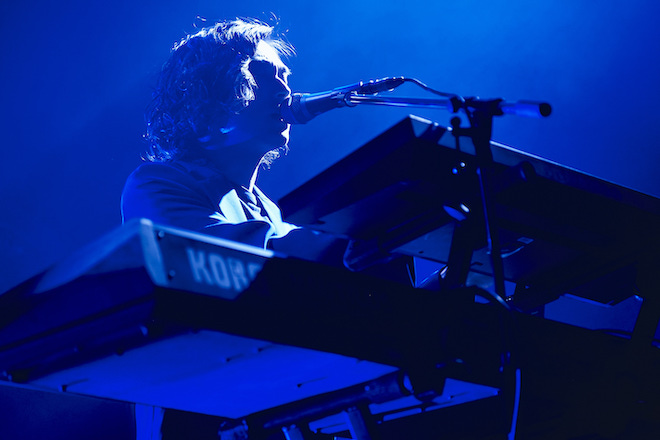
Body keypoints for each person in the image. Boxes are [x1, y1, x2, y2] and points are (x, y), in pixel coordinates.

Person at [121, 18, 299, 250]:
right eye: (261, 75)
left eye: (283, 76)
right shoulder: (154, 184)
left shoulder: (269, 210)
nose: (284, 90)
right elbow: (232, 253)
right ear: (209, 96)